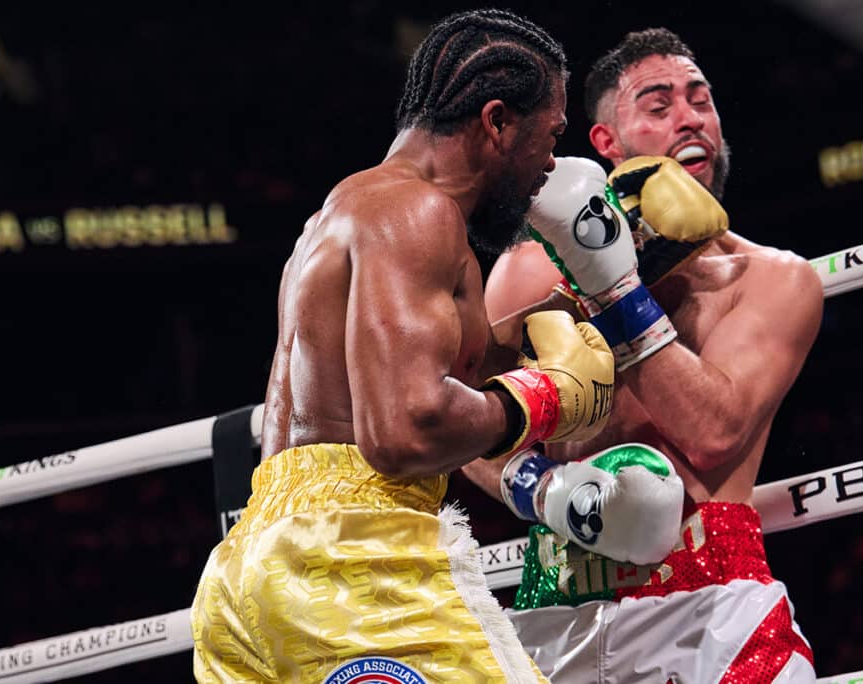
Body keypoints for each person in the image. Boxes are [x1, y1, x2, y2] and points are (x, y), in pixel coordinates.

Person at [188, 9, 621, 683]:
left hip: (259, 571)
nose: (553, 165)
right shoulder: (417, 212)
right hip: (354, 559)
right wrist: (545, 399)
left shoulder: (355, 213)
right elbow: (405, 430)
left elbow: (437, 372)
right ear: (498, 121)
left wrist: (600, 290)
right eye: (552, 135)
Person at [464, 28, 823, 682]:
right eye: (658, 107)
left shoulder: (773, 279)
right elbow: (467, 423)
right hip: (555, 614)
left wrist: (613, 287)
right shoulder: (526, 273)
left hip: (713, 613)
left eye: (701, 101)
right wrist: (543, 490)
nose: (691, 119)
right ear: (606, 144)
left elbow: (714, 432)